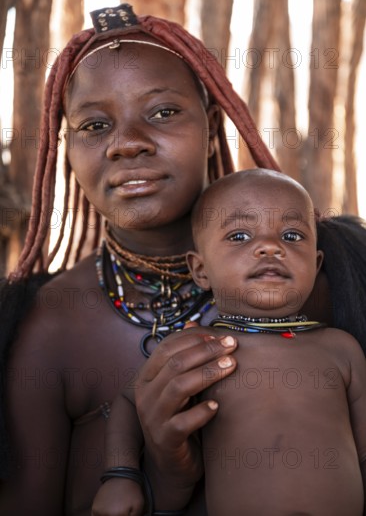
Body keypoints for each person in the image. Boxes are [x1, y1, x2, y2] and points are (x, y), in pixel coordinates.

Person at [0, 3, 279, 515]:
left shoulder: (311, 281)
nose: (126, 144)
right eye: (95, 125)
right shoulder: (47, 326)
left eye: (164, 112)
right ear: (68, 151)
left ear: (211, 126)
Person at [92, 169, 366, 516]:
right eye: (239, 235)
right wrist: (120, 475)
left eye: (292, 235)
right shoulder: (197, 348)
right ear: (201, 269)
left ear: (316, 262)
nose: (270, 246)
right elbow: (129, 404)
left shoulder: (341, 349)